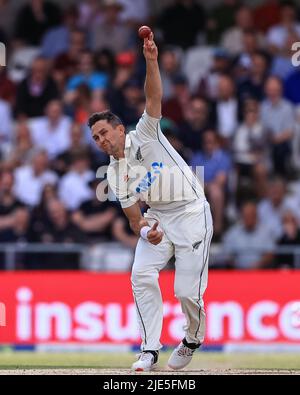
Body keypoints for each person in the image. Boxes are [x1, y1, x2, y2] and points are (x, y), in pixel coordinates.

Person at [88, 32, 213, 371]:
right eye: (95, 137)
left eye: (104, 133)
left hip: (191, 211)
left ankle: (192, 337)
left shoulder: (145, 131)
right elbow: (133, 219)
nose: (101, 140)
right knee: (141, 274)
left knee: (187, 291)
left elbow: (152, 95)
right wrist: (146, 233)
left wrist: (151, 59)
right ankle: (149, 350)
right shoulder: (113, 173)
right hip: (158, 217)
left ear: (119, 129)